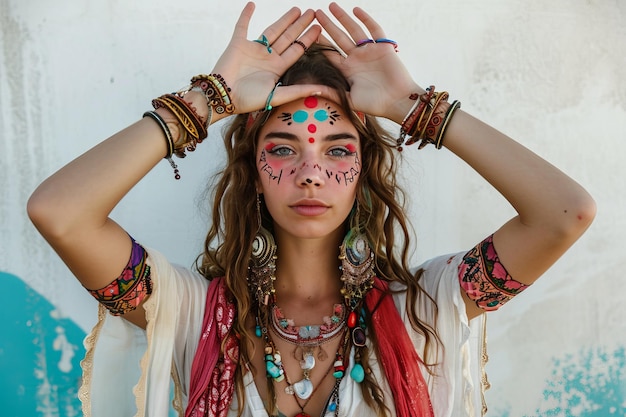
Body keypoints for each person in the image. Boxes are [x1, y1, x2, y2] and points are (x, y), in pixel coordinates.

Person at [27, 2, 595, 417]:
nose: (312, 173)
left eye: (338, 149)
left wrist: (414, 108)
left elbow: (564, 213)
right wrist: (211, 97)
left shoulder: (424, 310)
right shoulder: (192, 316)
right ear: (253, 173)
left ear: (364, 172)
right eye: (281, 148)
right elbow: (61, 213)